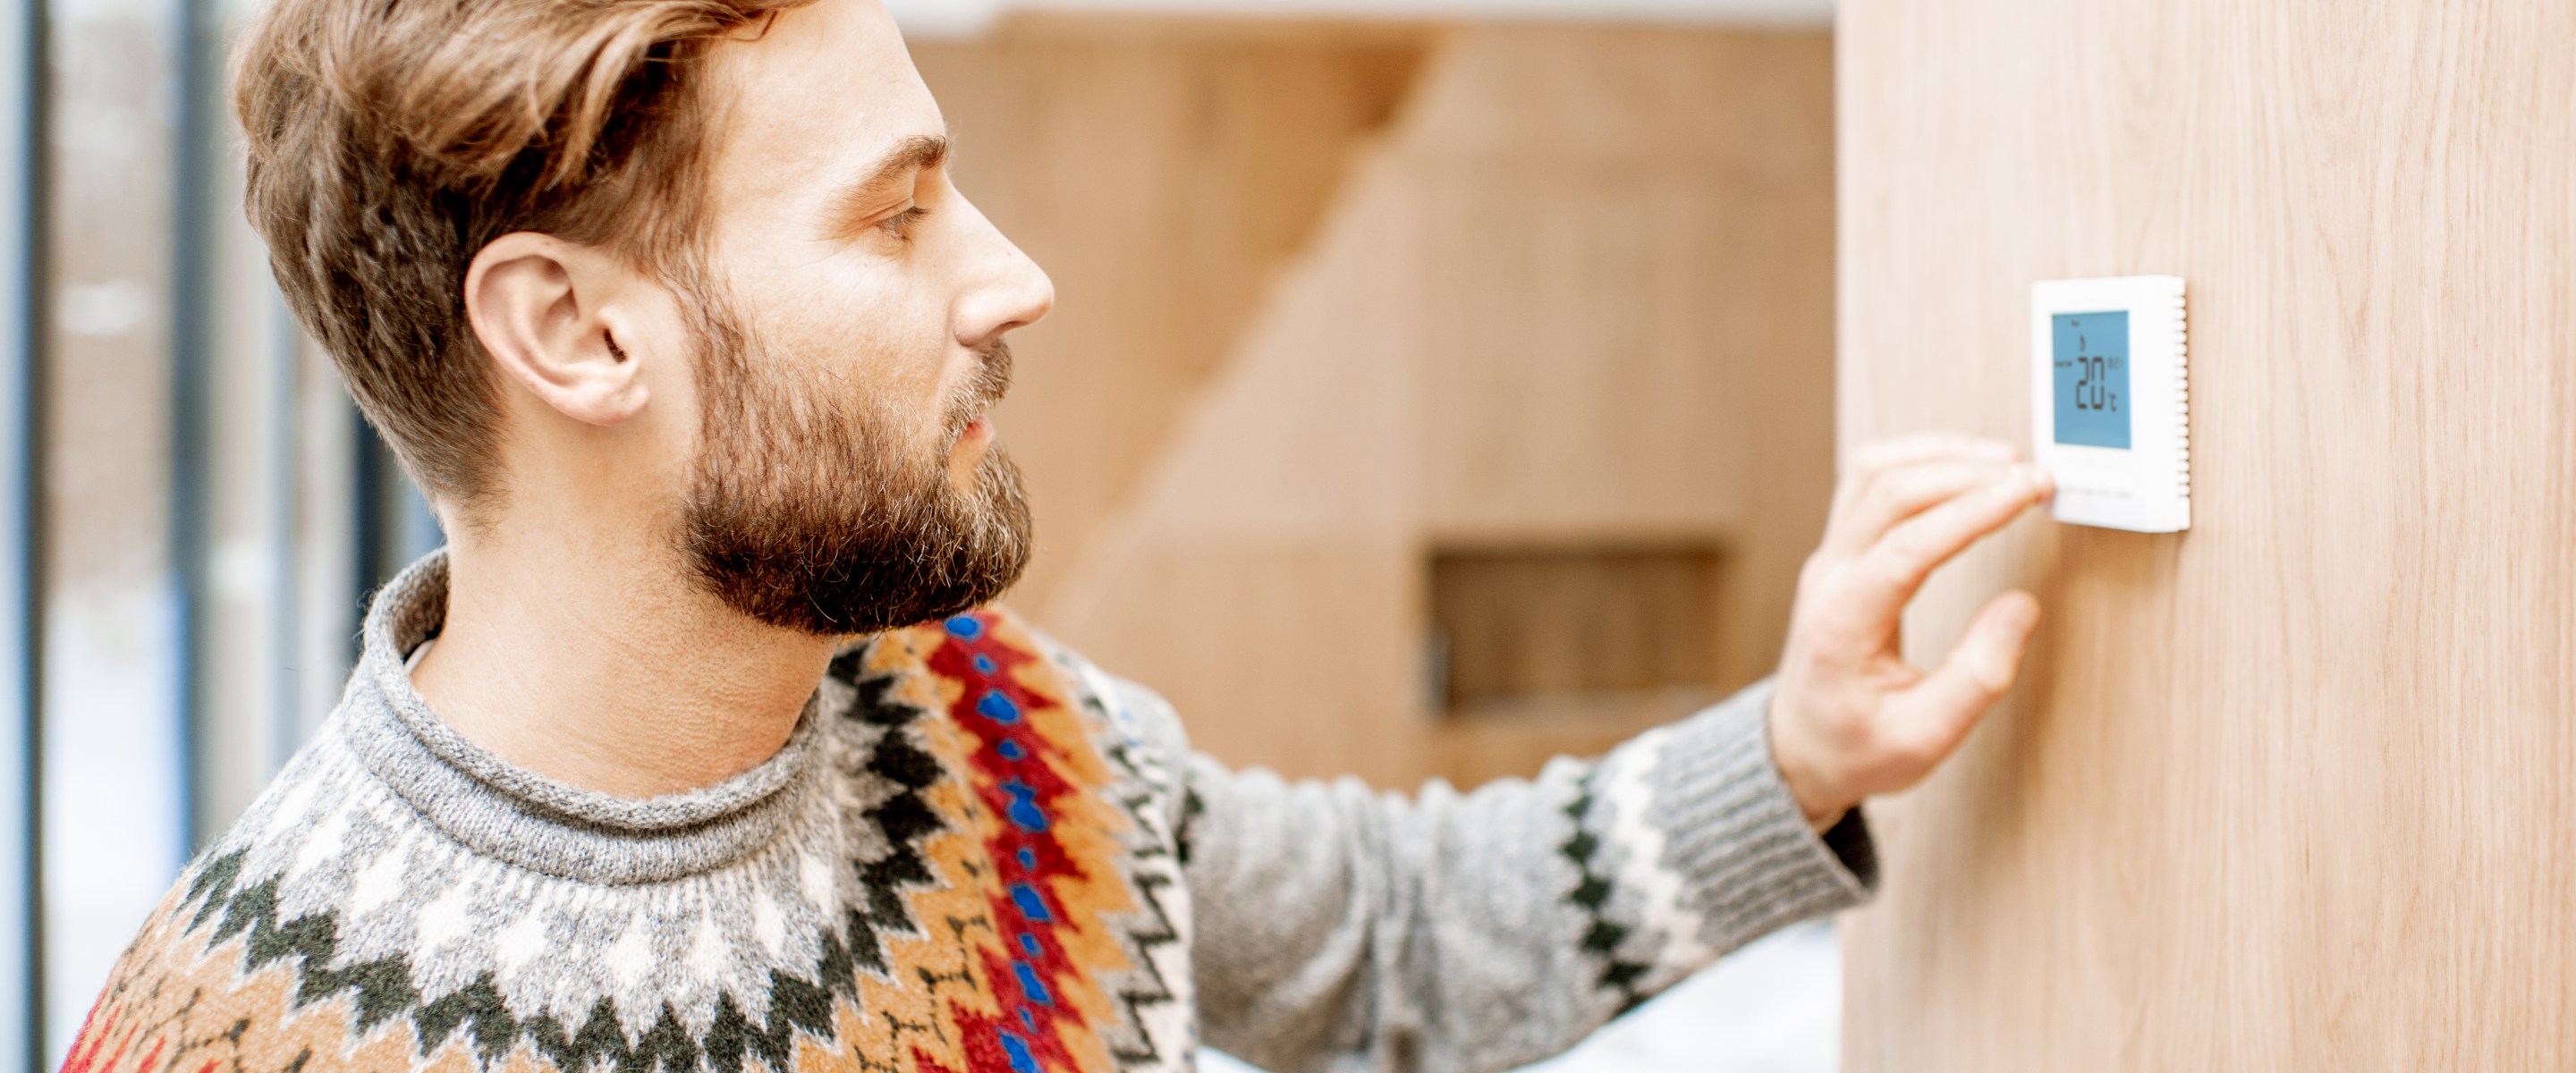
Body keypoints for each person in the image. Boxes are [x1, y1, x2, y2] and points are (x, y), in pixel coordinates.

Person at [59, 1, 2055, 1070]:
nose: (1013, 277)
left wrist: (1795, 752)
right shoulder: (234, 1047)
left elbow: (1384, 947)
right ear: (578, 333)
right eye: (896, 211)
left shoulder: (972, 722)